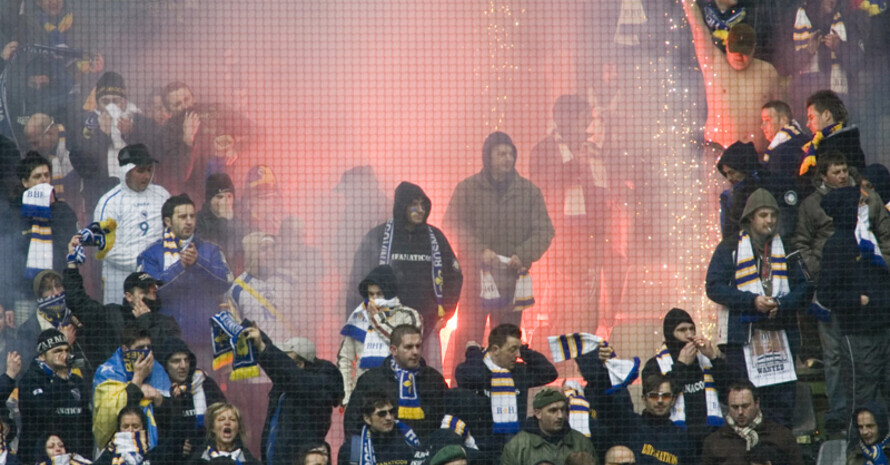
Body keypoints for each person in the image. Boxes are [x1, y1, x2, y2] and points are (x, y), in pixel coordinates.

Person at [791, 151, 890, 433]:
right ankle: (840, 414)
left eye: (845, 169)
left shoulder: (869, 200)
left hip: (869, 295)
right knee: (834, 355)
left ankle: (873, 422)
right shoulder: (812, 206)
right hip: (831, 288)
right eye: (836, 171)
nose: (843, 175)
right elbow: (800, 243)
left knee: (871, 364)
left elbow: (886, 236)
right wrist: (819, 271)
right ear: (823, 175)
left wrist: (878, 268)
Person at [444, 131, 554, 366]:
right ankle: (461, 392)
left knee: (506, 341)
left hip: (511, 282)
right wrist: (479, 251)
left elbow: (545, 231)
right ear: (488, 157)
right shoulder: (467, 189)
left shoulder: (529, 192)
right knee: (469, 337)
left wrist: (522, 255)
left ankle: (506, 388)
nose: (507, 158)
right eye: (501, 153)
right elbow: (452, 225)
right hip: (474, 281)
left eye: (510, 154)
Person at [706, 189, 812, 428]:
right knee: (744, 402)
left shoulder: (787, 246)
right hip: (743, 340)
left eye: (773, 214)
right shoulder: (730, 247)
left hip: (780, 335)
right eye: (763, 214)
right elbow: (713, 287)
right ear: (750, 218)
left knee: (780, 406)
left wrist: (782, 304)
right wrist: (751, 301)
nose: (770, 220)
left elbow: (806, 287)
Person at [349, 181, 462, 371]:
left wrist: (446, 312)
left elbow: (455, 277)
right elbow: (359, 279)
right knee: (386, 378)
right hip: (386, 326)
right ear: (402, 206)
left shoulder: (436, 237)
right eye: (413, 205)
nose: (420, 210)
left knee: (429, 379)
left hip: (427, 325)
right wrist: (362, 313)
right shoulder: (378, 236)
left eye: (423, 205)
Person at [529, 94, 614, 332]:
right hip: (557, 236)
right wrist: (570, 170)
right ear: (563, 119)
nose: (587, 125)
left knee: (589, 301)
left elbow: (602, 195)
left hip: (589, 235)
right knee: (562, 303)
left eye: (587, 119)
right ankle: (562, 360)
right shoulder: (543, 150)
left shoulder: (593, 152)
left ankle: (585, 357)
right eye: (582, 118)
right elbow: (536, 188)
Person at [818, 186, 890, 424]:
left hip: (883, 327)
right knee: (862, 396)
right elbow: (826, 294)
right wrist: (857, 300)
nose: (864, 206)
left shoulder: (868, 239)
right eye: (859, 202)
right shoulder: (836, 246)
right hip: (858, 334)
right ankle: (858, 451)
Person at [64, 236, 182, 378]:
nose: (151, 292)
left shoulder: (166, 323)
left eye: (153, 289)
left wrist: (145, 320)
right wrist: (72, 263)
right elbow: (77, 300)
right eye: (144, 290)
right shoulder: (111, 315)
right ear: (129, 296)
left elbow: (169, 354)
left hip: (153, 388)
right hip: (113, 386)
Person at [138, 193, 232, 366]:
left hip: (204, 342)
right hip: (164, 343)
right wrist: (181, 266)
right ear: (168, 221)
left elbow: (225, 282)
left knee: (206, 391)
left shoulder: (211, 250)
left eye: (192, 216)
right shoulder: (151, 254)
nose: (189, 221)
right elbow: (150, 294)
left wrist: (199, 263)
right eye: (182, 217)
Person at [681, 1, 784, 152]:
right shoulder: (713, 62)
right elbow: (698, 28)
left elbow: (783, 116)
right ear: (727, 45)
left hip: (757, 156)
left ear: (753, 48)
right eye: (735, 51)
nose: (739, 57)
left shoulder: (768, 72)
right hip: (718, 153)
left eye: (744, 53)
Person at [453, 323, 558, 463]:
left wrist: (524, 350)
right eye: (512, 350)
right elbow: (474, 376)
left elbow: (549, 372)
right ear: (495, 349)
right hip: (481, 451)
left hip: (515, 450)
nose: (517, 355)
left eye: (518, 350)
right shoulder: (472, 369)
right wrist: (474, 353)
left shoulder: (520, 372)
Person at [240, 325, 342, 465]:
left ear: (299, 364)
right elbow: (279, 367)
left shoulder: (317, 386)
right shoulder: (285, 385)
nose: (282, 362)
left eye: (286, 359)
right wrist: (244, 327)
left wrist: (264, 348)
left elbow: (290, 374)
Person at [578, 343, 692, 465]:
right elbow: (606, 401)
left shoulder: (682, 438)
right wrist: (605, 366)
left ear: (673, 400)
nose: (660, 401)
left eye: (665, 396)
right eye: (653, 395)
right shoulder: (629, 425)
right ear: (644, 399)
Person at [642, 308, 730, 452]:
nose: (689, 335)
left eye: (691, 329)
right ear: (670, 334)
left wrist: (713, 358)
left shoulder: (705, 358)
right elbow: (658, 397)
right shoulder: (654, 364)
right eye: (682, 330)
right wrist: (681, 366)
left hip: (710, 437)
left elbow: (729, 389)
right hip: (673, 438)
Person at [93, 143, 171, 304]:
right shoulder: (109, 202)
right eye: (140, 170)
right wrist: (144, 264)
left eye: (149, 169)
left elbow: (173, 232)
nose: (146, 176)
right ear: (125, 172)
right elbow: (106, 248)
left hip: (157, 280)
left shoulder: (162, 195)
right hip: (120, 281)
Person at [72, 71, 159, 212]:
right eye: (105, 102)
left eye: (116, 101)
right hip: (99, 199)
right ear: (97, 103)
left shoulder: (142, 122)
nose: (110, 106)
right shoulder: (85, 125)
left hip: (137, 197)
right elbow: (83, 166)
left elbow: (157, 153)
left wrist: (131, 133)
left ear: (124, 101)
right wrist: (102, 135)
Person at [344, 324, 448, 441]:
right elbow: (353, 421)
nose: (415, 352)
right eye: (408, 347)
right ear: (394, 350)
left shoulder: (434, 379)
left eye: (418, 346)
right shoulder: (371, 380)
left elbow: (446, 416)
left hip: (427, 451)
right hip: (383, 452)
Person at [339, 265, 423, 405]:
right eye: (371, 295)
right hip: (363, 395)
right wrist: (347, 396)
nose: (374, 299)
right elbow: (345, 359)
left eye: (379, 294)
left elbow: (404, 344)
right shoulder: (359, 317)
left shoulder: (409, 315)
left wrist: (378, 321)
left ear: (389, 293)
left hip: (398, 392)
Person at [93, 324, 171, 451]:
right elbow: (109, 419)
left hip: (154, 451)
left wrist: (158, 398)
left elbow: (171, 417)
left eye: (149, 347)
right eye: (140, 348)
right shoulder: (107, 373)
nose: (146, 353)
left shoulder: (158, 369)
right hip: (118, 453)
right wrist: (138, 379)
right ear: (125, 349)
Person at [19, 329, 91, 464]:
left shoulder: (76, 381)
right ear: (42, 356)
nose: (64, 355)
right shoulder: (30, 381)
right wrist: (60, 379)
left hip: (74, 457)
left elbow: (85, 422)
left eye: (66, 350)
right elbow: (44, 413)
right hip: (37, 458)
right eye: (57, 351)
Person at [154, 338, 226, 465]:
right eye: (176, 361)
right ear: (165, 365)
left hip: (208, 457)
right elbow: (157, 435)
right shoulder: (157, 393)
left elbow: (224, 420)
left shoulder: (206, 384)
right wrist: (177, 446)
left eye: (186, 360)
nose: (183, 366)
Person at [701, 381, 803, 465]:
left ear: (757, 403)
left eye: (745, 406)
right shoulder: (714, 442)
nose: (740, 412)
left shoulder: (781, 436)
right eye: (735, 407)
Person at [790, 0, 860, 120]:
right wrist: (807, 52)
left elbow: (858, 62)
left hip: (837, 101)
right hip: (806, 100)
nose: (833, 1)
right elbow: (784, 65)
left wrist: (840, 47)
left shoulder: (847, 19)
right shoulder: (795, 18)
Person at [500, 388, 595, 465]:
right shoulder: (517, 447)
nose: (560, 416)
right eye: (553, 411)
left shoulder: (581, 443)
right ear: (538, 413)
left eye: (562, 409)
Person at [226, 232, 292, 344]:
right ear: (252, 253)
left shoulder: (290, 281)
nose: (271, 253)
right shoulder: (237, 289)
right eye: (264, 249)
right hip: (255, 355)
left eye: (273, 248)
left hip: (286, 354)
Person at [337, 391, 426, 465]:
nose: (389, 417)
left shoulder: (409, 440)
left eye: (391, 412)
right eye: (382, 414)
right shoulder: (352, 449)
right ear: (367, 419)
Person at [800, 90, 866, 177]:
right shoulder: (848, 142)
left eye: (811, 117)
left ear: (826, 115)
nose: (807, 124)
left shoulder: (833, 148)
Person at [24, 113, 80, 209]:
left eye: (36, 143)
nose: (33, 148)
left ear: (51, 133)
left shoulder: (76, 147)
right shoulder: (35, 156)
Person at [196, 173, 248, 274]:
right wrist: (223, 221)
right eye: (219, 197)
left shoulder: (240, 224)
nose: (226, 202)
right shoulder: (198, 221)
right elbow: (211, 249)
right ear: (209, 200)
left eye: (229, 196)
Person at [760, 101, 810, 200]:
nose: (762, 126)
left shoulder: (780, 152)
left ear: (783, 120)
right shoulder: (805, 140)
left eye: (767, 120)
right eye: (762, 121)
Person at [188, 402, 261, 465]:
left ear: (238, 428)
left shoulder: (249, 461)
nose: (227, 423)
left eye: (232, 419)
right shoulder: (199, 459)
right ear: (212, 428)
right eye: (221, 419)